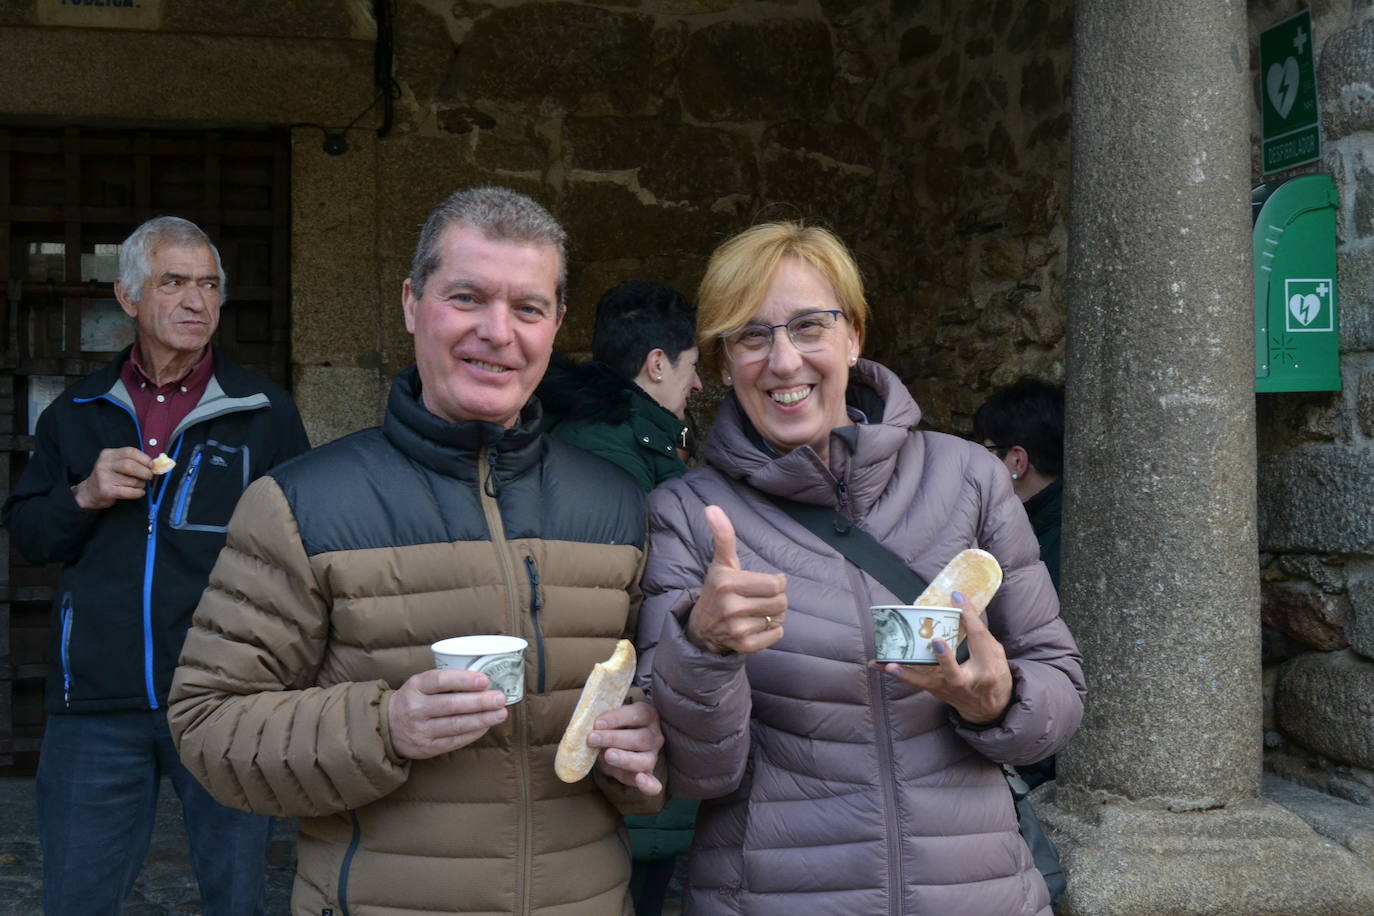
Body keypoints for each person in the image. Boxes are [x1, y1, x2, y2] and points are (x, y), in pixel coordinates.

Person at [167, 186, 666, 916]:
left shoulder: (617, 505)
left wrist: (648, 749)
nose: (498, 333)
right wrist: (384, 727)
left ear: (556, 325)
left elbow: (659, 724)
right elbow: (208, 726)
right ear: (411, 303)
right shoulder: (302, 506)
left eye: (528, 308)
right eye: (466, 298)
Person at [636, 222, 1085, 914]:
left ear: (853, 337)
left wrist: (995, 700)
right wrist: (704, 647)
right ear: (723, 364)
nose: (784, 362)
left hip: (975, 893)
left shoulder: (968, 478)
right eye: (752, 336)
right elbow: (695, 771)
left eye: (809, 327)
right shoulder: (687, 514)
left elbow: (1059, 692)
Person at [2, 216, 309, 915]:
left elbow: (301, 554)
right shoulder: (77, 413)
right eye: (173, 282)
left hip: (222, 695)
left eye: (208, 284)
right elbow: (29, 537)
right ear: (129, 297)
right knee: (78, 899)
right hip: (96, 706)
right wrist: (84, 494)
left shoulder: (264, 412)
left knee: (238, 899)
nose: (196, 301)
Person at [537, 280, 703, 916]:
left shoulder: (632, 439)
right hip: (617, 709)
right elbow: (643, 593)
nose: (696, 386)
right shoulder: (612, 452)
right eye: (691, 368)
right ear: (657, 364)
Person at [973, 377, 1065, 590]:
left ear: (1017, 461)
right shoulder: (1070, 528)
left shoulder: (1044, 548)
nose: (978, 465)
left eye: (986, 452)